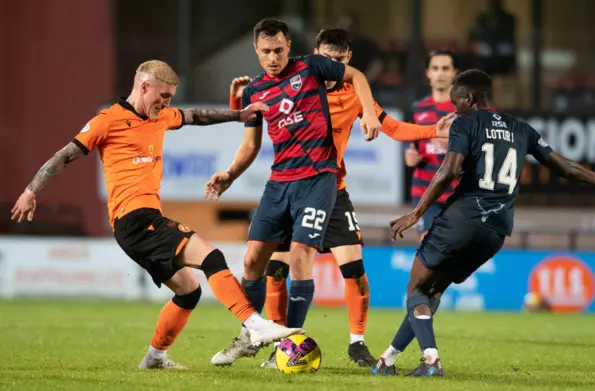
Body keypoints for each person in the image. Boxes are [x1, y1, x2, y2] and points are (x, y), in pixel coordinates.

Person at [10, 60, 304, 370]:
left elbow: (195, 117)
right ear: (143, 87)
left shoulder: (161, 116)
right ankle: (255, 324)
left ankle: (154, 358)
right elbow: (64, 155)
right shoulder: (107, 121)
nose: (166, 104)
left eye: (171, 98)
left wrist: (239, 115)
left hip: (138, 225)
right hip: (134, 218)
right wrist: (31, 191)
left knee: (188, 291)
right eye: (163, 96)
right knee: (211, 258)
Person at [211, 28, 453, 369]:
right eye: (326, 58)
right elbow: (257, 118)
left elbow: (394, 128)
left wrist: (431, 130)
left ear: (346, 60)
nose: (330, 65)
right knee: (274, 268)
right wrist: (237, 102)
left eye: (337, 61)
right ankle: (271, 338)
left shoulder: (346, 90)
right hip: (289, 184)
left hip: (329, 188)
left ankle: (354, 342)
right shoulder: (297, 79)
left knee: (352, 270)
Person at [371, 69, 595, 377]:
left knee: (416, 289)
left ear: (469, 98)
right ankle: (388, 359)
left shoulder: (466, 123)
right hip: (496, 232)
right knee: (432, 292)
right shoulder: (521, 128)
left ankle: (430, 360)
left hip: (461, 219)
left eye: (457, 104)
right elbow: (564, 166)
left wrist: (416, 212)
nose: (455, 111)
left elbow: (449, 171)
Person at [204, 19, 382, 366]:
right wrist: (230, 174)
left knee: (300, 258)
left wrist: (371, 113)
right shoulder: (253, 92)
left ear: (289, 47)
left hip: (318, 177)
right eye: (266, 52)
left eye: (279, 50)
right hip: (279, 181)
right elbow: (250, 145)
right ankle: (250, 334)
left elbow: (356, 76)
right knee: (253, 259)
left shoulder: (311, 66)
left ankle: (290, 344)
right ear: (256, 51)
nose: (273, 58)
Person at [405, 50, 458, 240]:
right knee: (429, 249)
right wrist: (409, 156)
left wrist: (451, 147)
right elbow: (410, 147)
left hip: (457, 194)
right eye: (435, 68)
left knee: (454, 253)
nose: (440, 73)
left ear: (454, 72)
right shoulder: (418, 110)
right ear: (428, 73)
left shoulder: (466, 111)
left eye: (445, 68)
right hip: (425, 191)